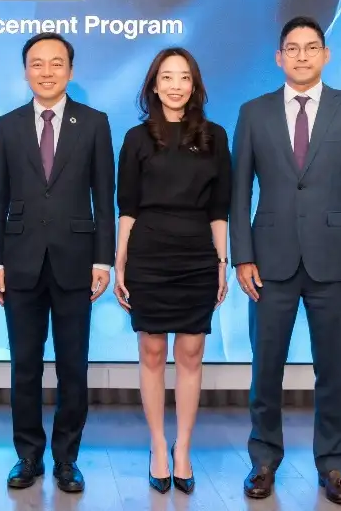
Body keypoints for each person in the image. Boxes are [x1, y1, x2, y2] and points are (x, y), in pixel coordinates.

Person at [231, 16, 341, 505]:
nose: (301, 56)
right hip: (268, 261)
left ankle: (333, 465)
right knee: (265, 368)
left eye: (311, 47)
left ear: (325, 55)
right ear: (279, 57)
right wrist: (242, 256)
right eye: (292, 48)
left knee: (332, 370)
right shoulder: (253, 112)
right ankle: (263, 461)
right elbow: (239, 193)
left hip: (336, 262)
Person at [0, 32, 116, 493]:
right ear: (26, 71)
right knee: (24, 365)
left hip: (76, 262)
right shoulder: (6, 125)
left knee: (72, 366)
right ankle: (27, 455)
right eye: (37, 63)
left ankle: (66, 459)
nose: (46, 71)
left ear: (71, 71)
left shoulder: (94, 123)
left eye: (56, 63)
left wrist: (103, 260)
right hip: (19, 262)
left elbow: (105, 196)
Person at [113, 48, 231, 495]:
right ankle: (158, 446)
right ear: (154, 85)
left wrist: (222, 263)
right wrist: (120, 261)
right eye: (167, 77)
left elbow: (219, 210)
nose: (176, 85)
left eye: (184, 77)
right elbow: (127, 207)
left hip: (197, 254)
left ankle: (183, 448)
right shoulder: (136, 138)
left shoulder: (215, 136)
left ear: (194, 85)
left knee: (191, 352)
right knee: (151, 351)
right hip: (148, 254)